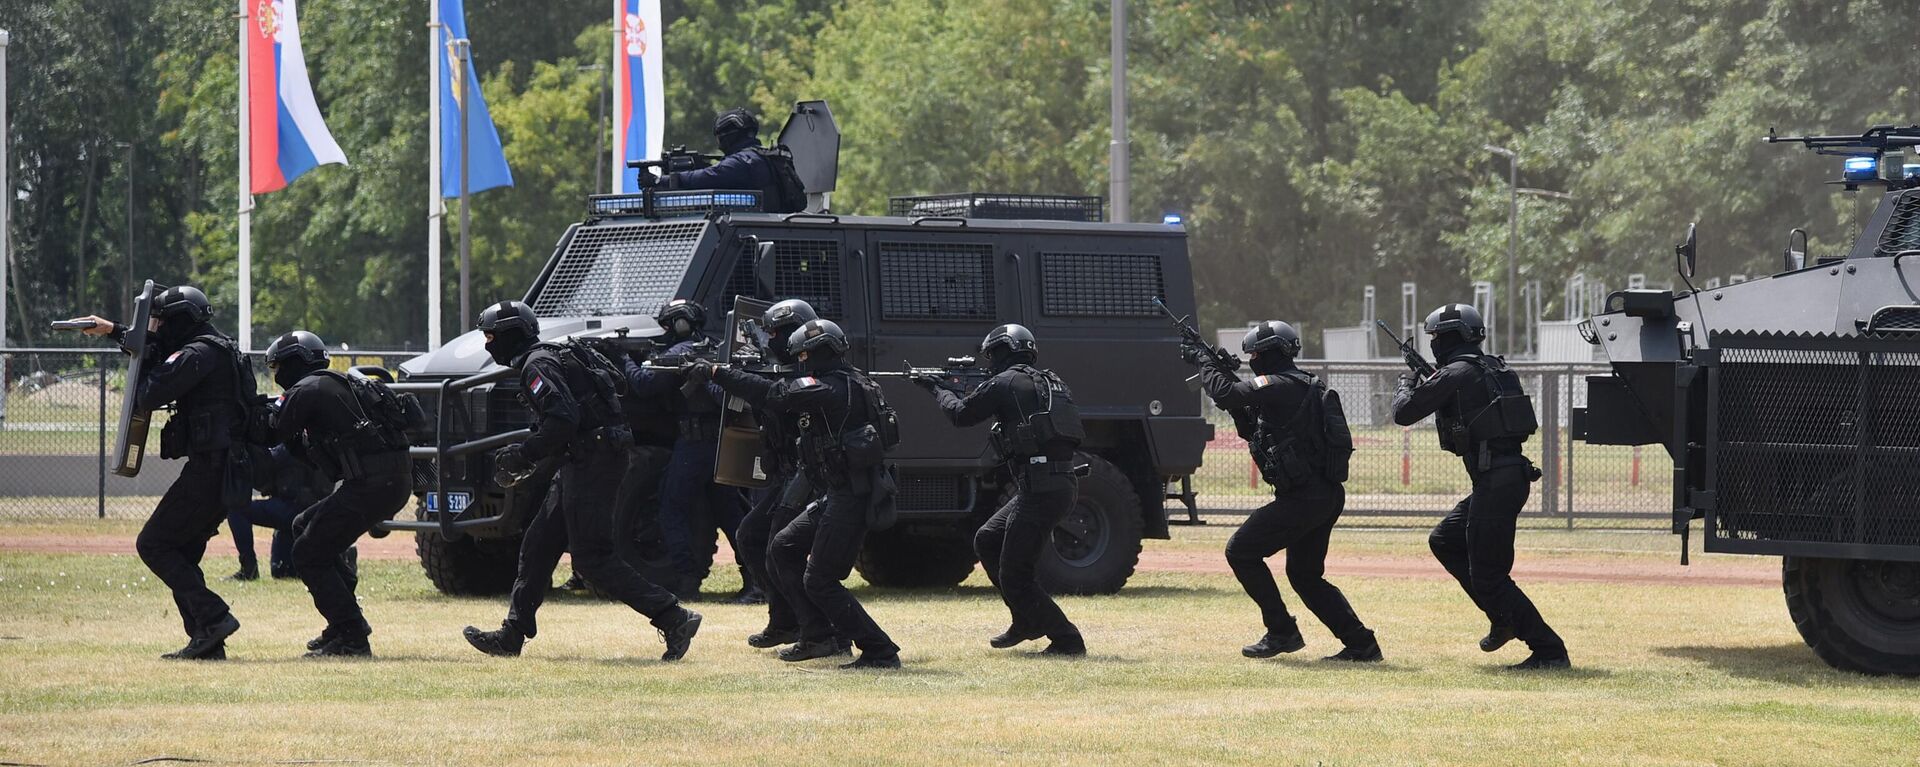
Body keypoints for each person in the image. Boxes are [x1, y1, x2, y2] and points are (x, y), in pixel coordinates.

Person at [462, 300, 702, 661]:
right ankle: (512, 634)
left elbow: (562, 420)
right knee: (539, 544)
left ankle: (673, 616)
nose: (487, 345)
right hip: (587, 458)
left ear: (510, 336)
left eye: (492, 336)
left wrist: (524, 454)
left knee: (592, 558)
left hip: (593, 461)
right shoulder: (547, 356)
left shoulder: (536, 364)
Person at [698, 319, 902, 669]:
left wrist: (718, 372)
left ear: (818, 353)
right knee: (782, 546)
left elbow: (775, 395)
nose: (802, 363)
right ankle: (816, 634)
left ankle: (878, 650)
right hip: (839, 491)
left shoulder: (831, 388)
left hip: (850, 496)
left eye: (805, 355)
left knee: (821, 579)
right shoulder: (853, 382)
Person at [74, 286, 253, 660]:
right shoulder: (216, 348)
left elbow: (150, 392)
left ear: (179, 322)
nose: (154, 327)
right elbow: (158, 353)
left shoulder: (195, 355)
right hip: (225, 466)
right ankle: (207, 638)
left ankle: (215, 618)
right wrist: (113, 331)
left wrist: (143, 342)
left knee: (153, 544)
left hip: (211, 468)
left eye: (159, 320)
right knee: (182, 552)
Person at [1391, 303, 1568, 671]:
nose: (1434, 344)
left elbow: (1403, 412)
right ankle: (1502, 617)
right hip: (1505, 477)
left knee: (1489, 575)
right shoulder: (1495, 368)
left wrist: (1407, 380)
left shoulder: (1456, 372)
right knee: (1445, 540)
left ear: (1451, 337)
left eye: (1437, 337)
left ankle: (1549, 650)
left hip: (1496, 480)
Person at [1191, 321, 1380, 662]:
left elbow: (1228, 394)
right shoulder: (1297, 384)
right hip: (1322, 495)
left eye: (1256, 355)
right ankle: (1360, 643)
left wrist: (1205, 364)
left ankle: (1281, 631)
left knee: (1241, 551)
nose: (1253, 360)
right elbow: (1250, 423)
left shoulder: (1279, 384)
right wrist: (1222, 373)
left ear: (1270, 354)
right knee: (1305, 575)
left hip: (1306, 498)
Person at [913, 324, 1087, 656]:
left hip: (1040, 488)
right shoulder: (1049, 382)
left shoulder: (1005, 383)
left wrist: (936, 388)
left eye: (992, 355)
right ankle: (1026, 620)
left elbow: (960, 414)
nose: (989, 362)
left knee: (1015, 574)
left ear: (1003, 352)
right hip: (1057, 482)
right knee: (988, 539)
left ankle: (1067, 638)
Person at [264, 330, 413, 658]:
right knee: (305, 527)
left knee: (307, 552)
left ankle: (351, 635)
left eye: (279, 368)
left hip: (371, 485)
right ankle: (342, 622)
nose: (277, 377)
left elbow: (271, 430)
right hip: (388, 481)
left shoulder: (307, 388)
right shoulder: (338, 382)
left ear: (295, 364)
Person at [629, 298, 752, 600]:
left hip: (695, 446)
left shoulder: (681, 351)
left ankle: (687, 578)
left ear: (681, 324)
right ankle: (755, 579)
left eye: (670, 324)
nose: (667, 330)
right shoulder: (711, 347)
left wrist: (625, 359)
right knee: (729, 513)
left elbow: (644, 383)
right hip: (721, 445)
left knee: (672, 508)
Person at [730, 299, 825, 649]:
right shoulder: (773, 371)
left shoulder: (813, 374)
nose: (773, 341)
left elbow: (780, 396)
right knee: (752, 537)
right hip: (785, 474)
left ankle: (812, 625)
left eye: (780, 333)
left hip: (810, 476)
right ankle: (785, 620)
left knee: (778, 548)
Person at [639, 108, 804, 213]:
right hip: (772, 228)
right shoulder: (764, 156)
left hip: (752, 239)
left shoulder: (743, 161)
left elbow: (709, 177)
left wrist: (659, 180)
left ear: (729, 136)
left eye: (719, 137)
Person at [228, 445, 331, 581]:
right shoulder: (321, 444)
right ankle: (341, 556)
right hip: (313, 512)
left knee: (237, 510)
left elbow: (265, 466)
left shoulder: (290, 445)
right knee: (282, 572)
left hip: (293, 509)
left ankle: (248, 568)